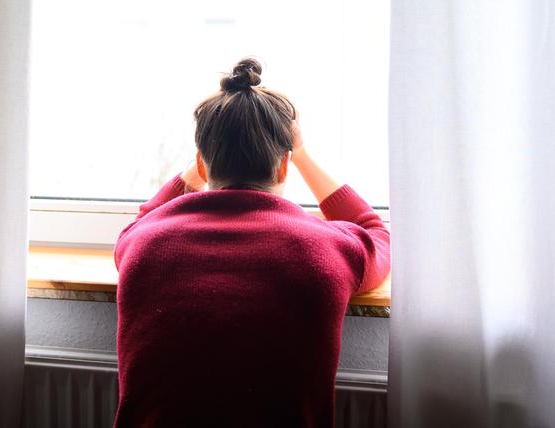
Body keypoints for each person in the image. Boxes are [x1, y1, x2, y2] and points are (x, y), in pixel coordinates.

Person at [113, 58, 391, 427]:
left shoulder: (143, 243)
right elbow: (376, 232)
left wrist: (204, 161)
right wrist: (302, 156)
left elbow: (145, 218)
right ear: (282, 167)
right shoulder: (327, 250)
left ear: (201, 163)